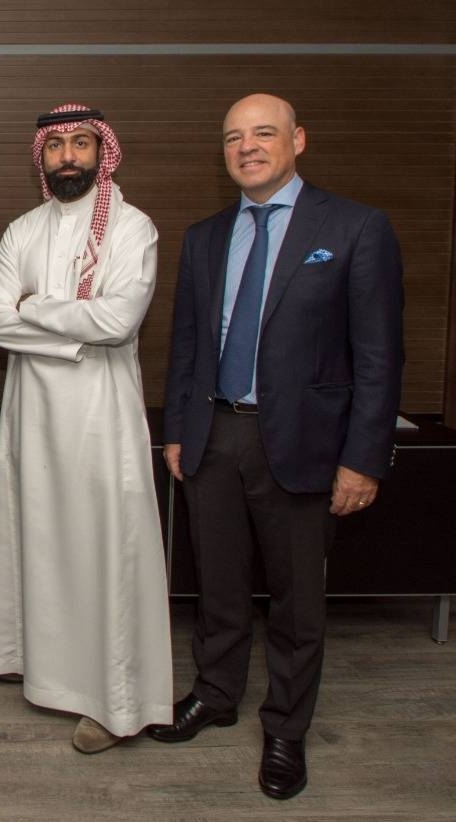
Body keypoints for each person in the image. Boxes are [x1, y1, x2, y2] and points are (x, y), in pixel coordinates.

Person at [153, 93, 404, 800]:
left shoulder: (354, 228)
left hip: (305, 443)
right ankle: (216, 693)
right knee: (220, 585)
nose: (248, 147)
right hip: (214, 434)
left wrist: (364, 458)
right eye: (234, 137)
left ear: (299, 140)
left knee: (297, 601)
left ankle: (287, 730)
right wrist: (178, 429)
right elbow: (189, 347)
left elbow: (380, 357)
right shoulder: (205, 236)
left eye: (263, 133)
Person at [0, 103, 173, 754]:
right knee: (42, 536)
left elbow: (119, 321)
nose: (68, 155)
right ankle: (47, 671)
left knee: (105, 545)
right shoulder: (22, 230)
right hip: (33, 414)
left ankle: (115, 700)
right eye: (57, 144)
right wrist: (71, 330)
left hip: (102, 415)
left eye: (82, 143)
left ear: (103, 151)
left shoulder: (133, 229)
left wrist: (36, 309)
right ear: (42, 154)